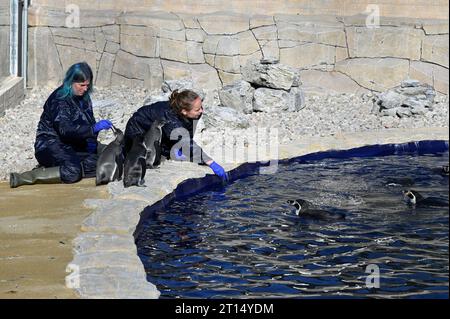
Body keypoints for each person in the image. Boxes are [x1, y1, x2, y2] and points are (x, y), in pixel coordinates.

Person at [9, 62, 113, 188]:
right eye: (81, 85)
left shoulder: (84, 98)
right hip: (50, 144)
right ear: (70, 82)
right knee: (72, 172)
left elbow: (87, 122)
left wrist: (92, 138)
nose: (85, 89)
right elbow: (65, 130)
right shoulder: (59, 100)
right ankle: (27, 177)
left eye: (87, 85)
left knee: (112, 155)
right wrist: (92, 129)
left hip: (75, 143)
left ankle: (61, 166)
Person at [124, 89, 228, 181]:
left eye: (201, 107)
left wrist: (195, 155)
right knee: (147, 159)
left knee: (175, 150)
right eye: (197, 109)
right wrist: (210, 162)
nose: (201, 111)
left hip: (160, 131)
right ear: (184, 112)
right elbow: (185, 141)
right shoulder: (169, 118)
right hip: (137, 130)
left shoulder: (192, 112)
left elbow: (188, 133)